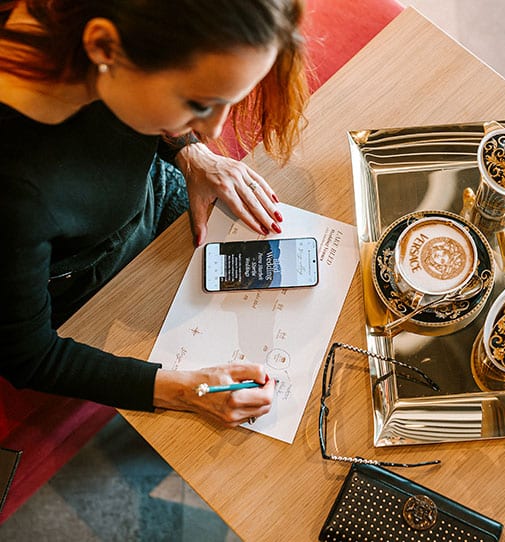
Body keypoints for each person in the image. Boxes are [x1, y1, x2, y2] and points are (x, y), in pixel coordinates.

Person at [0, 0, 309, 426]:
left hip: (148, 198)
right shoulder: (16, 190)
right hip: (77, 288)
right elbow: (28, 357)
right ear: (104, 47)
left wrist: (191, 153)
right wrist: (189, 391)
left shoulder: (108, 31)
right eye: (199, 103)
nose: (215, 131)